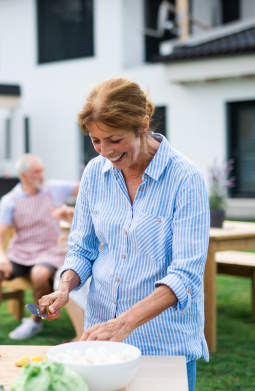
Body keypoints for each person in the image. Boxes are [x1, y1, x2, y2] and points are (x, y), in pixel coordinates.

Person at [40, 78, 209, 391]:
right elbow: (82, 248)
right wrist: (65, 287)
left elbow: (185, 276)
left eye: (115, 140)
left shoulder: (186, 178)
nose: (105, 152)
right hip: (102, 346)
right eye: (96, 141)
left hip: (163, 344)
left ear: (143, 126)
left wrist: (125, 323)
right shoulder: (94, 173)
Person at [0, 154, 83, 340]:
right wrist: (1, 257)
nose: (41, 175)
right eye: (36, 172)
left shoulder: (54, 188)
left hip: (49, 251)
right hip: (20, 252)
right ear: (23, 176)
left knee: (39, 274)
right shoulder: (10, 200)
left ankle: (35, 322)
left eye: (42, 170)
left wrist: (73, 211)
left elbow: (86, 188)